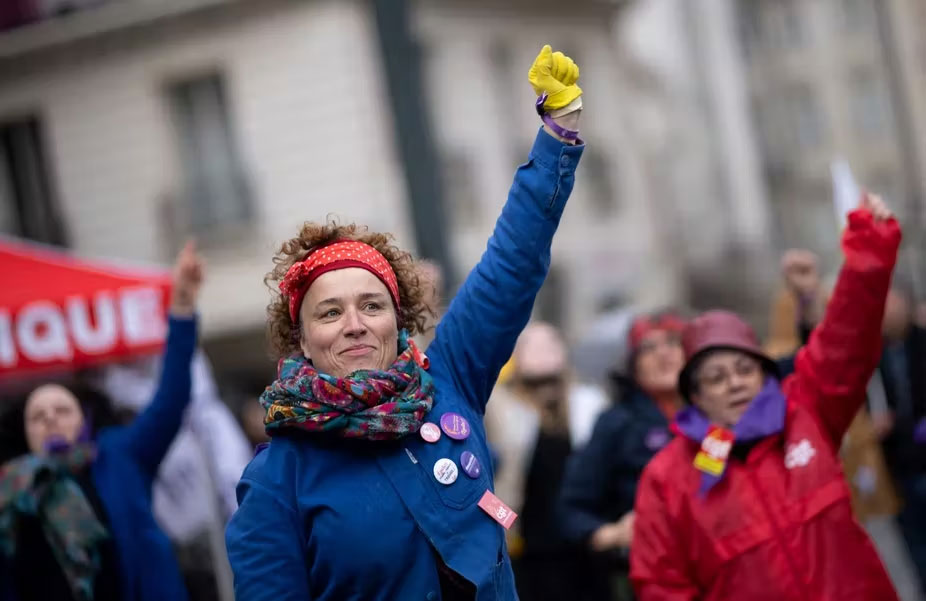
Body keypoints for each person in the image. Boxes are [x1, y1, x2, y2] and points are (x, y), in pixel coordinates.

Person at [224, 44, 585, 601]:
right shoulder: (278, 478)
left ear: (398, 318)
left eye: (372, 305)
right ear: (302, 337)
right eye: (330, 312)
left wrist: (557, 138)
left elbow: (510, 267)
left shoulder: (450, 379)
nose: (354, 324)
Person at [630, 193, 902, 600]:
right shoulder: (666, 480)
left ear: (764, 374)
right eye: (717, 378)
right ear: (697, 396)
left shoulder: (805, 412)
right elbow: (660, 585)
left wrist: (869, 248)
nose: (735, 383)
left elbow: (847, 340)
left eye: (745, 369)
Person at [0, 242, 203, 601]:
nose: (50, 420)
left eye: (61, 411)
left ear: (85, 421)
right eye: (38, 416)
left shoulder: (122, 454)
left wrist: (182, 310)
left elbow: (171, 400)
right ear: (25, 433)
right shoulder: (11, 492)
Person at [558, 310, 686, 598]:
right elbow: (571, 509)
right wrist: (614, 534)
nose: (664, 354)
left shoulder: (714, 416)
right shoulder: (617, 422)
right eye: (649, 347)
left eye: (673, 342)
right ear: (633, 365)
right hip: (643, 575)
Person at [484, 322, 607, 601]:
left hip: (583, 547)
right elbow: (481, 475)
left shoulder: (588, 403)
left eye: (550, 343)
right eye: (532, 344)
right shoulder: (498, 407)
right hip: (524, 547)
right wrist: (495, 521)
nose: (542, 351)